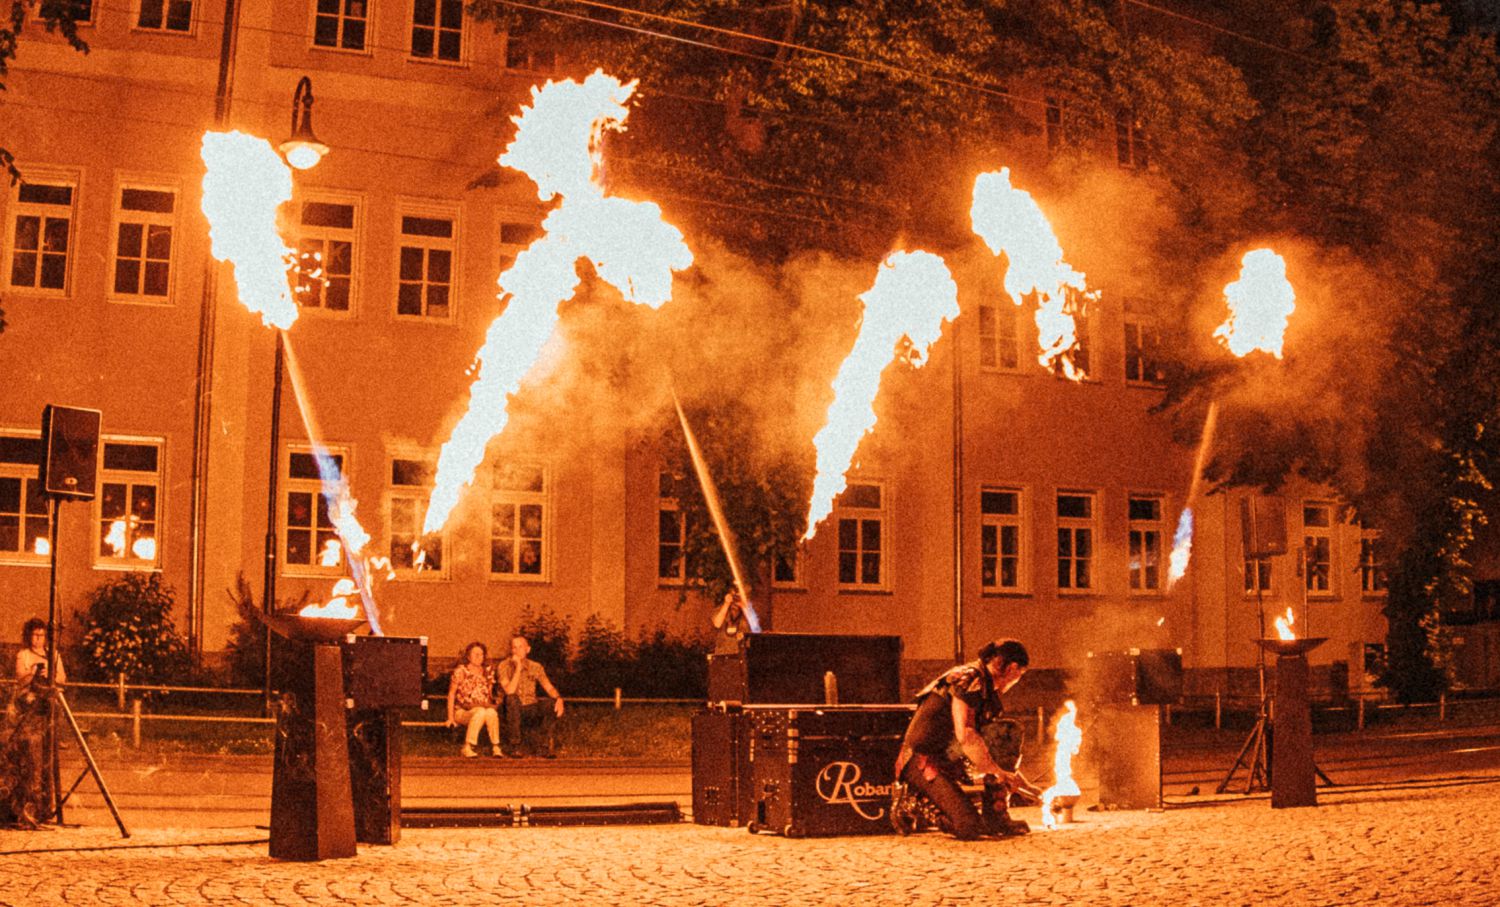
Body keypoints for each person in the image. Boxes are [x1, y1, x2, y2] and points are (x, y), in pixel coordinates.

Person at [891, 638, 1036, 840]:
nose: (1016, 681)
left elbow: (989, 742)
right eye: (1019, 675)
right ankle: (915, 799)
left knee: (1008, 730)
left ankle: (996, 815)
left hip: (949, 756)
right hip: (922, 760)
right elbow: (966, 734)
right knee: (968, 826)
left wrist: (1022, 783)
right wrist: (996, 771)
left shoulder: (986, 687)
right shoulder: (969, 680)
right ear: (1012, 668)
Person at [1, 618, 65, 829]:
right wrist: (35, 673)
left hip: (47, 708)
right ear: (29, 636)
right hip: (28, 706)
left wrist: (51, 674)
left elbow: (62, 679)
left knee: (46, 758)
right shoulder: (24, 655)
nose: (38, 639)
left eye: (42, 635)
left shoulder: (53, 655)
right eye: (35, 635)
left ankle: (44, 807)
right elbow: (21, 678)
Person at [497, 635, 563, 758]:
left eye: (520, 647)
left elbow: (548, 687)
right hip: (508, 708)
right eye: (514, 647)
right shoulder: (504, 666)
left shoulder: (535, 666)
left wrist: (559, 699)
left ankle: (543, 747)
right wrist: (518, 668)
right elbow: (510, 691)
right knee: (512, 699)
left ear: (528, 649)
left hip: (529, 706)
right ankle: (515, 746)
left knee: (550, 704)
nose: (517, 650)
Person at [445, 642, 502, 757]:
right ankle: (468, 746)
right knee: (480, 712)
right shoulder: (461, 671)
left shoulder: (488, 672)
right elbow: (451, 694)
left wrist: (496, 701)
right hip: (463, 711)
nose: (479, 657)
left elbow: (489, 695)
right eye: (475, 654)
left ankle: (495, 746)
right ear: (468, 656)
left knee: (491, 712)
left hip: (483, 707)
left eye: (481, 654)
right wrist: (450, 718)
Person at [710, 590, 752, 655]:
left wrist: (743, 605)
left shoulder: (745, 614)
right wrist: (726, 603)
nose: (736, 599)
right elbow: (717, 624)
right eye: (734, 596)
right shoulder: (721, 609)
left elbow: (752, 628)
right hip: (722, 654)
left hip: (739, 655)